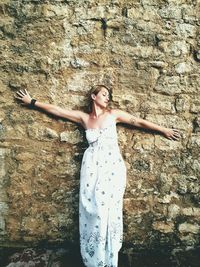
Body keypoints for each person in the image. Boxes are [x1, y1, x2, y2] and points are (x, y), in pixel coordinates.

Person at [15, 85, 181, 267]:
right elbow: (58, 111)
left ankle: (109, 255)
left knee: (107, 210)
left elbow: (138, 122)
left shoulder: (113, 114)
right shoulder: (84, 118)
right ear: (93, 96)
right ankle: (95, 255)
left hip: (112, 168)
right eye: (103, 94)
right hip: (91, 168)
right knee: (91, 209)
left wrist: (164, 129)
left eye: (108, 95)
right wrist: (32, 102)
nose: (107, 97)